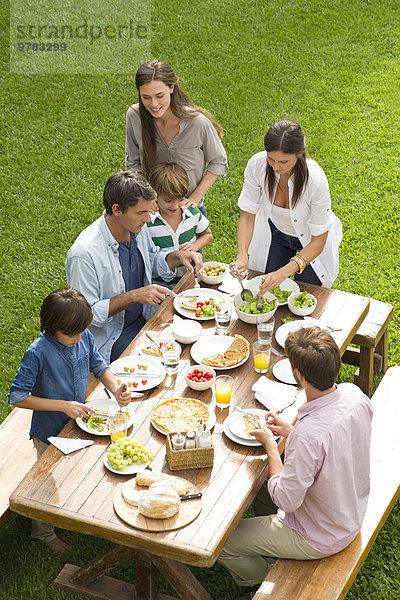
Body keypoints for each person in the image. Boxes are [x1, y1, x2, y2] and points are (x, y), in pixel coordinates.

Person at [218, 326, 373, 599]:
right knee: (258, 492)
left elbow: (286, 500)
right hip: (350, 509)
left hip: (321, 534)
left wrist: (271, 446)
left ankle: (262, 581)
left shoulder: (308, 435)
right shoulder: (354, 395)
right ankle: (267, 548)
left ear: (298, 376)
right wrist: (290, 432)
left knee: (223, 542)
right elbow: (335, 440)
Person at [7, 288, 131, 553]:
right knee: (45, 481)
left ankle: (71, 509)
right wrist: (64, 406)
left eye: (80, 333)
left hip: (77, 424)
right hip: (49, 432)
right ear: (52, 327)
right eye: (71, 335)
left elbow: (99, 365)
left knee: (73, 471)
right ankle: (43, 532)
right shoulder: (37, 353)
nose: (77, 339)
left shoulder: (82, 336)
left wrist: (117, 387)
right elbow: (17, 396)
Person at [66, 170, 202, 363]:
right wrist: (134, 296)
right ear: (117, 209)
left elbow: (152, 258)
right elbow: (87, 315)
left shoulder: (137, 227)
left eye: (148, 211)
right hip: (111, 339)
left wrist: (178, 256)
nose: (148, 219)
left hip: (145, 319)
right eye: (141, 213)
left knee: (195, 341)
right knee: (172, 361)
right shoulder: (84, 255)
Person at [230, 119, 343, 296]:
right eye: (271, 159)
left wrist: (284, 272)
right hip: (277, 234)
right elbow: (247, 216)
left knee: (306, 295)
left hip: (311, 241)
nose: (275, 167)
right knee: (265, 292)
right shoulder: (256, 165)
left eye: (283, 162)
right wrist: (242, 255)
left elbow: (318, 241)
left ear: (300, 154)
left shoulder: (315, 180)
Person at [125, 59, 228, 215]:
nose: (154, 104)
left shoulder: (197, 123)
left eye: (160, 96)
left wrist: (195, 198)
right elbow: (133, 163)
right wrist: (147, 196)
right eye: (146, 97)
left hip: (190, 211)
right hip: (153, 211)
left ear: (172, 88)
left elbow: (219, 161)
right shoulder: (134, 116)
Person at [147, 162, 212, 288]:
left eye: (180, 199)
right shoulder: (148, 221)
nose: (175, 206)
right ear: (155, 195)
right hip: (161, 287)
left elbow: (207, 234)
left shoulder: (192, 213)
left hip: (190, 281)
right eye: (168, 200)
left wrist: (195, 245)